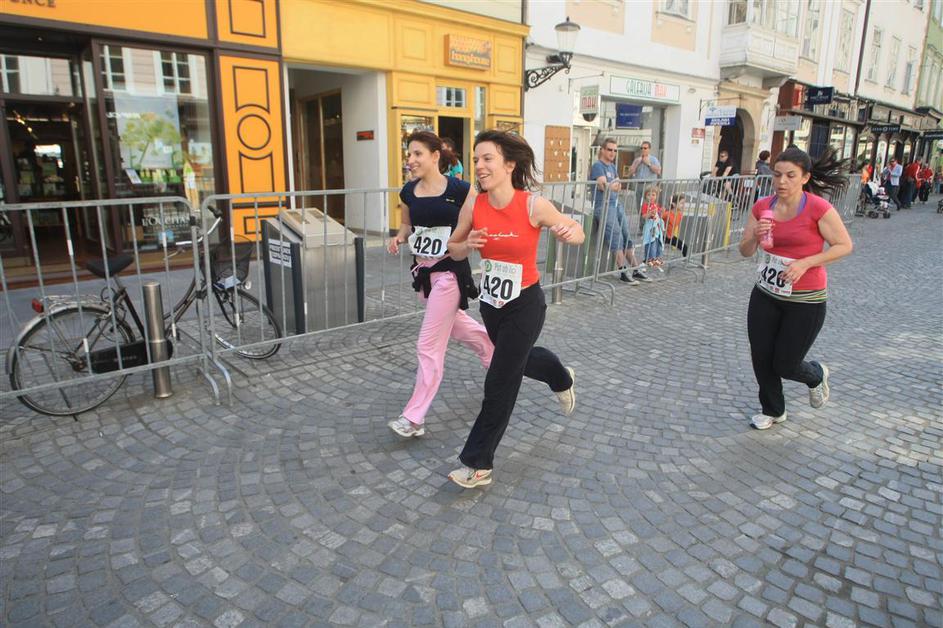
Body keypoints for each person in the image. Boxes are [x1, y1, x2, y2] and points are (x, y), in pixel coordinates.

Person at [445, 129, 584, 488]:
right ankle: (561, 377)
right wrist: (467, 244)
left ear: (509, 165)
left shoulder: (532, 205)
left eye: (487, 158)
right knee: (519, 360)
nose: (479, 165)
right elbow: (453, 248)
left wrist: (570, 233)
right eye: (476, 159)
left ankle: (478, 464)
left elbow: (575, 229)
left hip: (525, 303)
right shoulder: (475, 205)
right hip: (492, 305)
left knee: (500, 378)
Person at [386, 131, 493, 438]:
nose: (411, 160)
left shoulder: (460, 189)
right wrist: (399, 237)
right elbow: (407, 225)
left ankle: (414, 418)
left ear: (435, 156)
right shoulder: (408, 191)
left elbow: (478, 221)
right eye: (409, 154)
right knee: (461, 327)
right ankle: (499, 359)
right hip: (424, 275)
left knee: (428, 345)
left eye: (417, 153)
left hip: (450, 274)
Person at [738, 146, 854, 431]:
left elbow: (844, 245)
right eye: (777, 174)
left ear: (805, 178)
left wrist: (806, 263)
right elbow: (745, 250)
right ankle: (773, 410)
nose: (782, 181)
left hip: (806, 299)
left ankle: (816, 374)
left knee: (786, 364)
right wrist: (754, 237)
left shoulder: (817, 208)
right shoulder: (762, 207)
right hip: (766, 292)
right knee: (761, 356)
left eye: (790, 175)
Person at [591, 138, 652, 285]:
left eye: (615, 150)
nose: (612, 153)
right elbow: (603, 186)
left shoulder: (612, 166)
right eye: (610, 150)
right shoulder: (598, 166)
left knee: (626, 235)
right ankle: (623, 271)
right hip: (603, 206)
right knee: (616, 235)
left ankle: (635, 269)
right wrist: (611, 185)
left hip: (616, 204)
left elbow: (618, 186)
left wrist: (611, 185)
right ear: (603, 150)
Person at [641, 197, 666, 270]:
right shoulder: (645, 205)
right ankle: (648, 260)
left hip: (656, 227)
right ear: (645, 196)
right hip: (650, 227)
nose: (651, 196)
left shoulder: (656, 205)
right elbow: (644, 216)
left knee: (657, 243)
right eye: (649, 195)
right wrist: (650, 213)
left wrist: (661, 211)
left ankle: (656, 258)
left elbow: (659, 215)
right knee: (650, 243)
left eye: (653, 195)